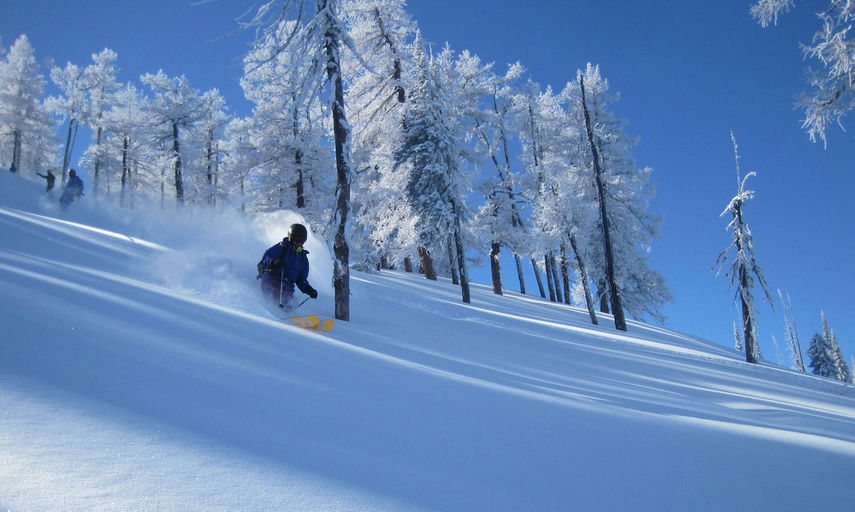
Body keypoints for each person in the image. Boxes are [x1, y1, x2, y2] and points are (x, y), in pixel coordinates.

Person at [257, 223, 318, 309]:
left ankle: (285, 315)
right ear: (290, 238)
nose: (299, 243)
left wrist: (308, 289)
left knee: (288, 307)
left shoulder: (302, 257)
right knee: (274, 300)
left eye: (302, 241)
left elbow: (301, 279)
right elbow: (265, 259)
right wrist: (274, 262)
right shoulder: (281, 248)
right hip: (273, 280)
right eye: (297, 240)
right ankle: (266, 312)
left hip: (287, 288)